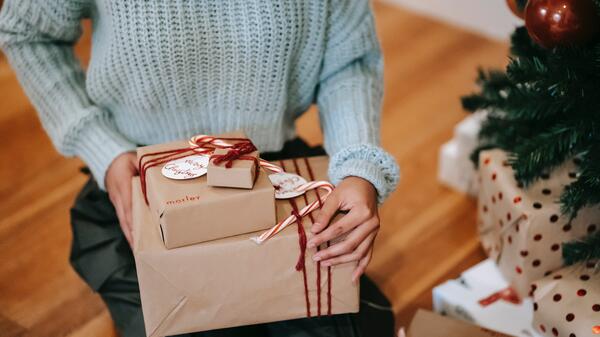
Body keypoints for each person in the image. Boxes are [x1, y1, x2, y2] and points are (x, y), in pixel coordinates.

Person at [0, 1, 399, 336]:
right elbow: (28, 32)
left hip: (265, 173)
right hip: (145, 181)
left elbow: (350, 62)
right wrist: (100, 147)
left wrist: (358, 166)